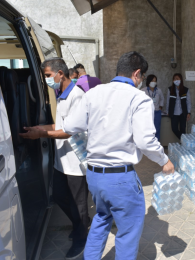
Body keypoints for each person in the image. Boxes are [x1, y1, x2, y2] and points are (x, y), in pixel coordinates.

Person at [20, 52, 175, 260]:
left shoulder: (94, 93)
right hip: (120, 178)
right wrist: (164, 161)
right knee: (128, 232)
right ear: (137, 74)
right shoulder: (140, 98)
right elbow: (145, 140)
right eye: (143, 76)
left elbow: (71, 126)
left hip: (95, 176)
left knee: (101, 219)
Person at [20, 58, 91, 260]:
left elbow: (69, 131)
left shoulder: (77, 96)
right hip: (61, 160)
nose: (47, 80)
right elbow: (59, 124)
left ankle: (81, 237)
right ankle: (80, 223)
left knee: (79, 204)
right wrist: (40, 129)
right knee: (59, 196)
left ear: (61, 73)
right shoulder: (61, 94)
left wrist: (41, 135)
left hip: (76, 163)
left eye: (49, 75)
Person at [166, 73, 191, 139]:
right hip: (174, 113)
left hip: (183, 113)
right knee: (174, 129)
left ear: (181, 80)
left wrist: (189, 112)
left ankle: (184, 145)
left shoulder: (185, 90)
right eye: (174, 79)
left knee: (183, 129)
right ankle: (185, 140)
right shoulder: (170, 89)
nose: (176, 80)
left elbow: (188, 102)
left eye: (177, 78)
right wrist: (167, 111)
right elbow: (168, 101)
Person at [143, 74, 164, 141]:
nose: (154, 82)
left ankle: (156, 145)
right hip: (147, 113)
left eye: (155, 81)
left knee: (157, 129)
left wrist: (160, 107)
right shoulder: (143, 90)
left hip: (157, 112)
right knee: (148, 129)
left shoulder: (158, 90)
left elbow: (162, 99)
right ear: (148, 81)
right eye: (152, 80)